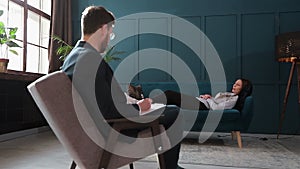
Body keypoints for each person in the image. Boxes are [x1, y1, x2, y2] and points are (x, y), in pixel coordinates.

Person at [61, 6, 184, 169]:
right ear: (103, 29)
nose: (110, 39)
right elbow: (109, 111)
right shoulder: (89, 60)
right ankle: (171, 167)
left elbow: (100, 100)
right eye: (111, 33)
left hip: (97, 126)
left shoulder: (73, 57)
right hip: (115, 129)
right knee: (174, 112)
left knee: (166, 109)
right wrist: (139, 106)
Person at [151, 78, 253, 112]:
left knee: (170, 94)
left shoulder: (233, 99)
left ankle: (144, 102)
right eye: (235, 83)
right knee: (169, 100)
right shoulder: (230, 95)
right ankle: (145, 106)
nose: (234, 86)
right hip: (201, 102)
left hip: (202, 106)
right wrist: (209, 97)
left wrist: (209, 99)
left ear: (243, 88)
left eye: (238, 85)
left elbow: (216, 108)